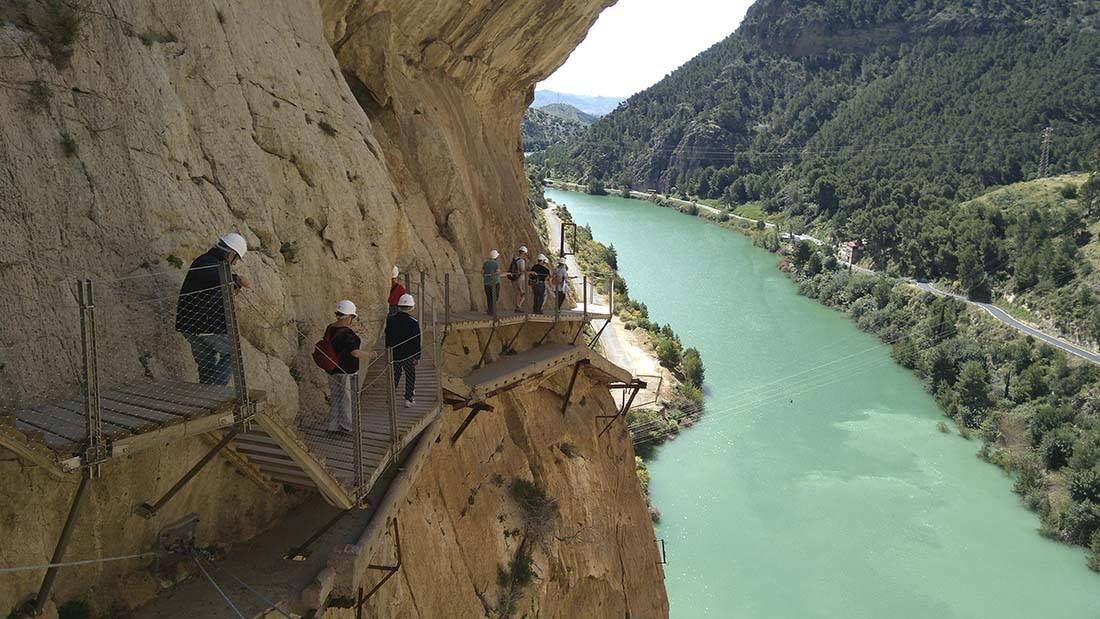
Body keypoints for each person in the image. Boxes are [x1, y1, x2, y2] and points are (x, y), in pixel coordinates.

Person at [176, 232, 250, 385]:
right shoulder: (208, 263)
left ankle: (205, 394)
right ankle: (214, 391)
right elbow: (212, 275)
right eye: (235, 259)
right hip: (203, 325)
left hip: (190, 325)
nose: (234, 264)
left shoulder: (208, 261)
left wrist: (233, 282)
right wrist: (236, 278)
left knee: (207, 363)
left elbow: (214, 279)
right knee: (234, 353)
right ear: (231, 254)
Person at [324, 300, 365, 433]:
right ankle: (347, 426)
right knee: (347, 398)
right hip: (346, 370)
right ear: (349, 317)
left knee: (336, 397)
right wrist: (371, 354)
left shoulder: (330, 328)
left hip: (332, 369)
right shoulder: (348, 333)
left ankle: (333, 425)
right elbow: (355, 352)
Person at [386, 294, 421, 408]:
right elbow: (416, 341)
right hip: (409, 355)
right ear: (412, 307)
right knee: (410, 375)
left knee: (395, 376)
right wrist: (418, 356)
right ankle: (408, 398)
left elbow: (388, 337)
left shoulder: (391, 320)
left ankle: (390, 398)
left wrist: (388, 351)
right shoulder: (413, 322)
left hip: (395, 354)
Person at [507, 246, 528, 313]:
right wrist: (528, 272)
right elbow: (522, 270)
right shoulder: (521, 260)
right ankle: (518, 306)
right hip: (520, 278)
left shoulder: (514, 259)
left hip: (514, 278)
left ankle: (517, 306)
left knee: (517, 293)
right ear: (524, 253)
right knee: (523, 294)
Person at [482, 250, 500, 316]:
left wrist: (487, 275)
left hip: (486, 282)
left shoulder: (485, 263)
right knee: (495, 296)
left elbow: (482, 272)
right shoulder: (496, 263)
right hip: (495, 282)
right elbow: (498, 271)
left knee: (489, 297)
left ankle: (490, 310)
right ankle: (493, 310)